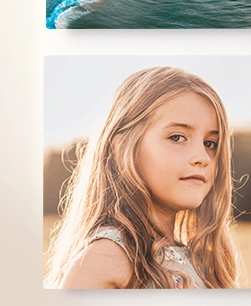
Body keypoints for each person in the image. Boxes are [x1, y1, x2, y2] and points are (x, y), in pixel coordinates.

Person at [45, 66, 239, 289]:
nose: (202, 157)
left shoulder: (203, 261)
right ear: (122, 147)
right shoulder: (108, 257)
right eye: (177, 137)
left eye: (210, 143)